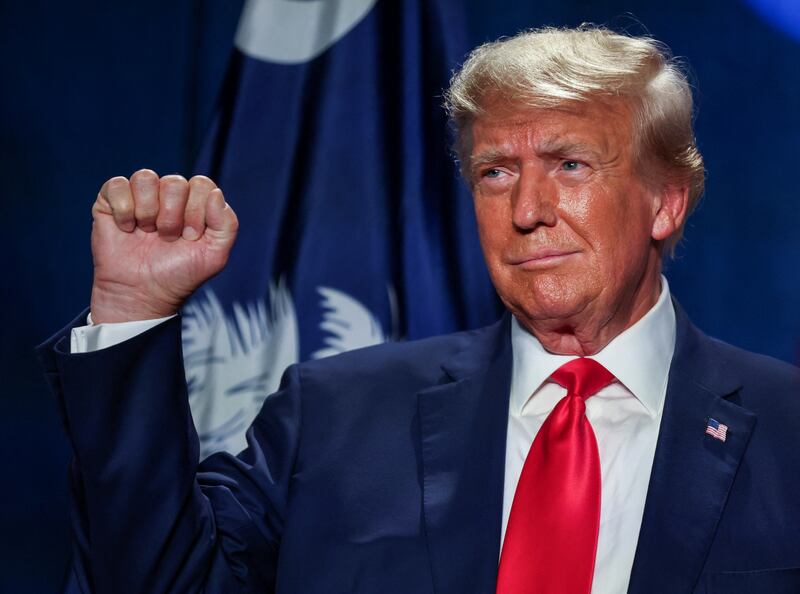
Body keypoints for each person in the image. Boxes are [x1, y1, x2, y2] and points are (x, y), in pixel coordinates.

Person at [39, 26, 799, 594]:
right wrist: (133, 307)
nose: (527, 209)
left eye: (570, 165)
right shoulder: (332, 417)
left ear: (666, 201)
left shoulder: (789, 430)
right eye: (495, 171)